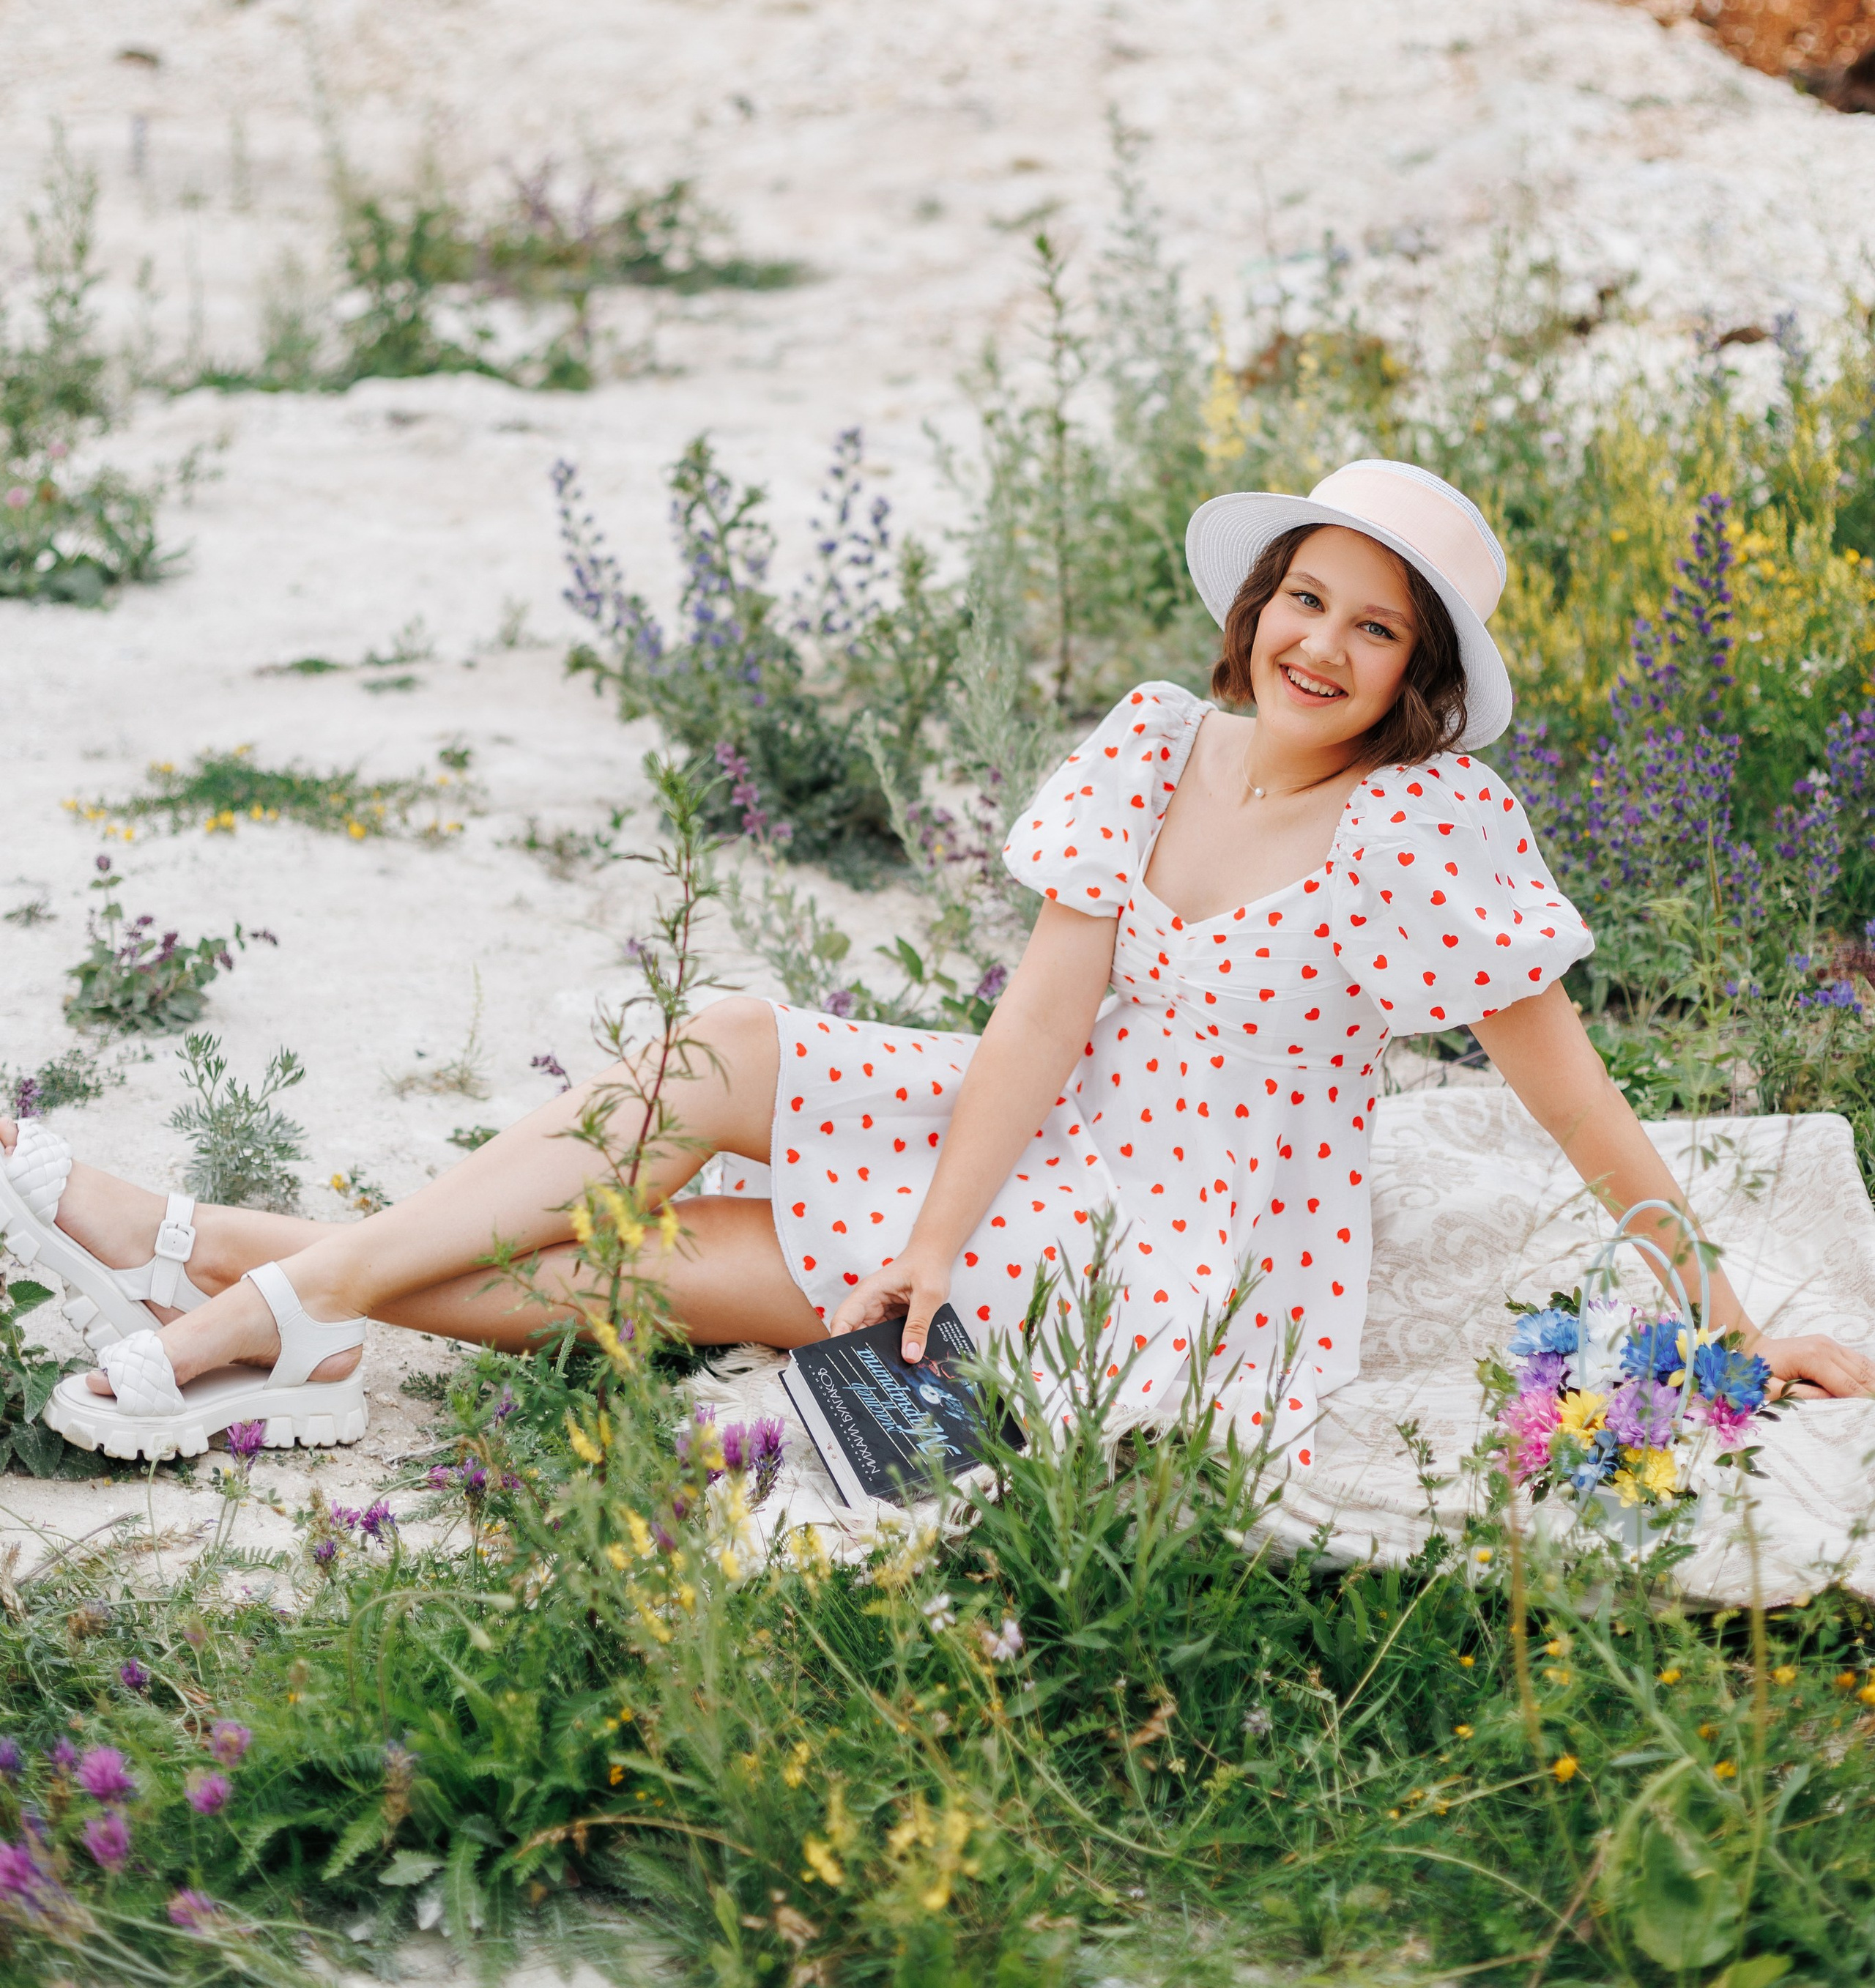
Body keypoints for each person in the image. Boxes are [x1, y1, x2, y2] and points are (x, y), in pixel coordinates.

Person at [4, 458, 1870, 1465]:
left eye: (1370, 631)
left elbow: (1573, 1098)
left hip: (1184, 1231)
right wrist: (931, 1226)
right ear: (1257, 602)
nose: (1318, 645)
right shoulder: (1157, 738)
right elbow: (1044, 1013)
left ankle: (226, 1283)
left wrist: (1713, 1318)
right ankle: (277, 1320)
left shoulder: (1424, 832)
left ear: (1416, 679)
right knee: (732, 1036)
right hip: (1030, 1129)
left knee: (655, 1263)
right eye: (1302, 596)